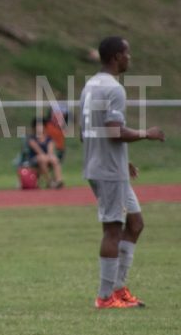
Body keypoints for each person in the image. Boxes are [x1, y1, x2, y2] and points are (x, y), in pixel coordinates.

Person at [79, 36, 165, 309]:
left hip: (105, 165)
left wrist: (121, 159)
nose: (130, 58)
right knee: (113, 229)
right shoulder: (114, 89)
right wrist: (146, 134)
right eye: (128, 53)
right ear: (117, 56)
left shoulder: (90, 85)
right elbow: (115, 131)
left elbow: (86, 133)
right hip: (107, 170)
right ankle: (105, 297)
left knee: (136, 223)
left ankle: (119, 289)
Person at [27, 117, 64, 188]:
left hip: (46, 158)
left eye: (41, 126)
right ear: (34, 128)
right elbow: (38, 151)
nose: (39, 128)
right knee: (42, 158)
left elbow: (50, 152)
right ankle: (49, 181)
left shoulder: (49, 139)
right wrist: (47, 157)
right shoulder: (32, 138)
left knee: (54, 159)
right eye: (37, 126)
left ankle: (59, 181)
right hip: (34, 160)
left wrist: (50, 157)